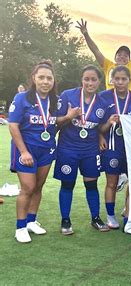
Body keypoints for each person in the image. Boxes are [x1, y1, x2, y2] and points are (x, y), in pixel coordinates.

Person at [54, 65, 109, 235]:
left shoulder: (102, 103)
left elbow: (99, 127)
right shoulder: (67, 96)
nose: (90, 83)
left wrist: (101, 135)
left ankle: (95, 218)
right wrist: (69, 117)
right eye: (86, 79)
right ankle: (65, 220)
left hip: (90, 150)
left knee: (91, 184)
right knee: (67, 184)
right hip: (68, 149)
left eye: (93, 79)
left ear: (99, 82)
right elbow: (56, 121)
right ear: (81, 79)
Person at [8, 60, 58, 243]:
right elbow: (13, 125)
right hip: (26, 150)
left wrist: (68, 117)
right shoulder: (22, 98)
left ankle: (31, 221)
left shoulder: (55, 101)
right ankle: (20, 227)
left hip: (46, 150)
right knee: (27, 188)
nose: (45, 81)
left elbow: (54, 124)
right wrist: (23, 152)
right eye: (41, 77)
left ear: (53, 81)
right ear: (34, 79)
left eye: (49, 78)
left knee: (38, 186)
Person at [98, 66, 131, 229]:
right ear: (112, 80)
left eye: (124, 79)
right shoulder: (103, 97)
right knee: (112, 183)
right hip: (111, 148)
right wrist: (108, 124)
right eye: (117, 79)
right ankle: (110, 215)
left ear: (130, 81)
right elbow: (96, 125)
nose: (121, 82)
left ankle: (128, 212)